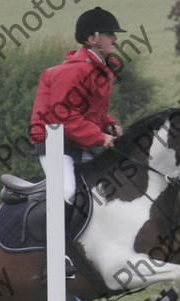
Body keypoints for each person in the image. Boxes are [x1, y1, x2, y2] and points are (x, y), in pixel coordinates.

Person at [29, 6, 125, 205]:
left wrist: (109, 125)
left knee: (106, 190)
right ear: (93, 39)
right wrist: (99, 137)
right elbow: (63, 116)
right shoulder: (74, 71)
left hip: (79, 143)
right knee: (68, 192)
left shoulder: (99, 69)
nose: (115, 39)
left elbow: (93, 110)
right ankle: (56, 237)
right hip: (55, 144)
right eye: (109, 34)